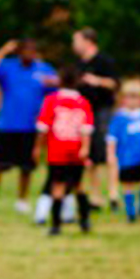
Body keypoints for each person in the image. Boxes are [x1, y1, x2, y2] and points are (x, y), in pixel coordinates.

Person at [0, 38, 57, 214]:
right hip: (7, 125)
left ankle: (22, 200)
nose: (29, 54)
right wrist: (5, 49)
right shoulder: (8, 66)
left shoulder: (43, 69)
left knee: (26, 167)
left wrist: (54, 83)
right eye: (25, 50)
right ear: (19, 52)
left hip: (30, 126)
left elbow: (59, 86)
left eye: (32, 51)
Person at [34, 66, 95, 236]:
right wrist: (85, 148)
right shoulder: (83, 102)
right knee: (79, 186)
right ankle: (85, 221)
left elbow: (43, 127)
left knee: (57, 186)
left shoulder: (52, 100)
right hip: (76, 150)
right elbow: (86, 129)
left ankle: (56, 225)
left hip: (57, 151)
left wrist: (38, 147)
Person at [72, 27, 121, 211]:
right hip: (84, 113)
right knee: (89, 156)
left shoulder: (104, 61)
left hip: (102, 111)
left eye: (76, 41)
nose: (74, 45)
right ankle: (95, 197)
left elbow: (115, 84)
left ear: (88, 41)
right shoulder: (78, 64)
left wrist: (97, 81)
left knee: (108, 153)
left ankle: (113, 193)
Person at [107, 81, 140, 224]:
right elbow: (112, 138)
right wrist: (111, 154)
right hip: (126, 158)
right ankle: (131, 213)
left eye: (136, 97)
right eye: (130, 97)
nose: (133, 101)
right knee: (128, 185)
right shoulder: (120, 117)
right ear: (124, 99)